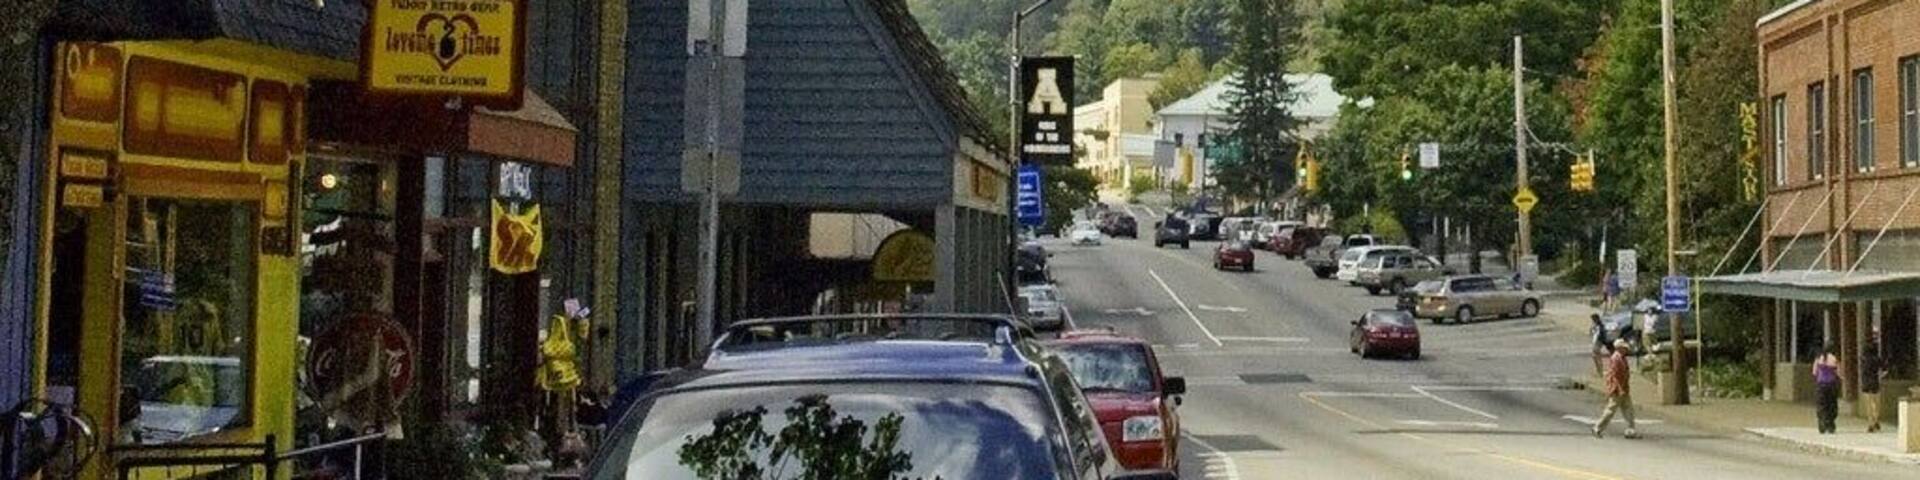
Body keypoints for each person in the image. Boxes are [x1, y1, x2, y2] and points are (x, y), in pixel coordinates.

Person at [1594, 338, 1638, 439]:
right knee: (1611, 410)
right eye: (1624, 348)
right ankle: (1598, 427)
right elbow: (1616, 376)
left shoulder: (1621, 358)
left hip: (1623, 388)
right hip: (1617, 389)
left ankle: (1631, 429)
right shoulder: (1616, 359)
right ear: (1619, 348)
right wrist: (1620, 389)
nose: (1626, 350)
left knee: (1628, 409)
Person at [1813, 345, 1841, 434]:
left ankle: (1822, 422)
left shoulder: (1818, 358)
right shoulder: (1834, 358)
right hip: (1831, 384)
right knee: (1831, 405)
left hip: (1821, 384)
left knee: (1821, 404)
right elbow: (1839, 373)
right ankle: (1830, 424)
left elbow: (1814, 372)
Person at [1861, 343, 1888, 433]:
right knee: (1876, 404)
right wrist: (1880, 376)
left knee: (1868, 405)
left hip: (1865, 383)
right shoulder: (1877, 359)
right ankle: (1876, 421)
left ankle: (1870, 424)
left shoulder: (1863, 359)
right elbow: (1885, 370)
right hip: (1875, 382)